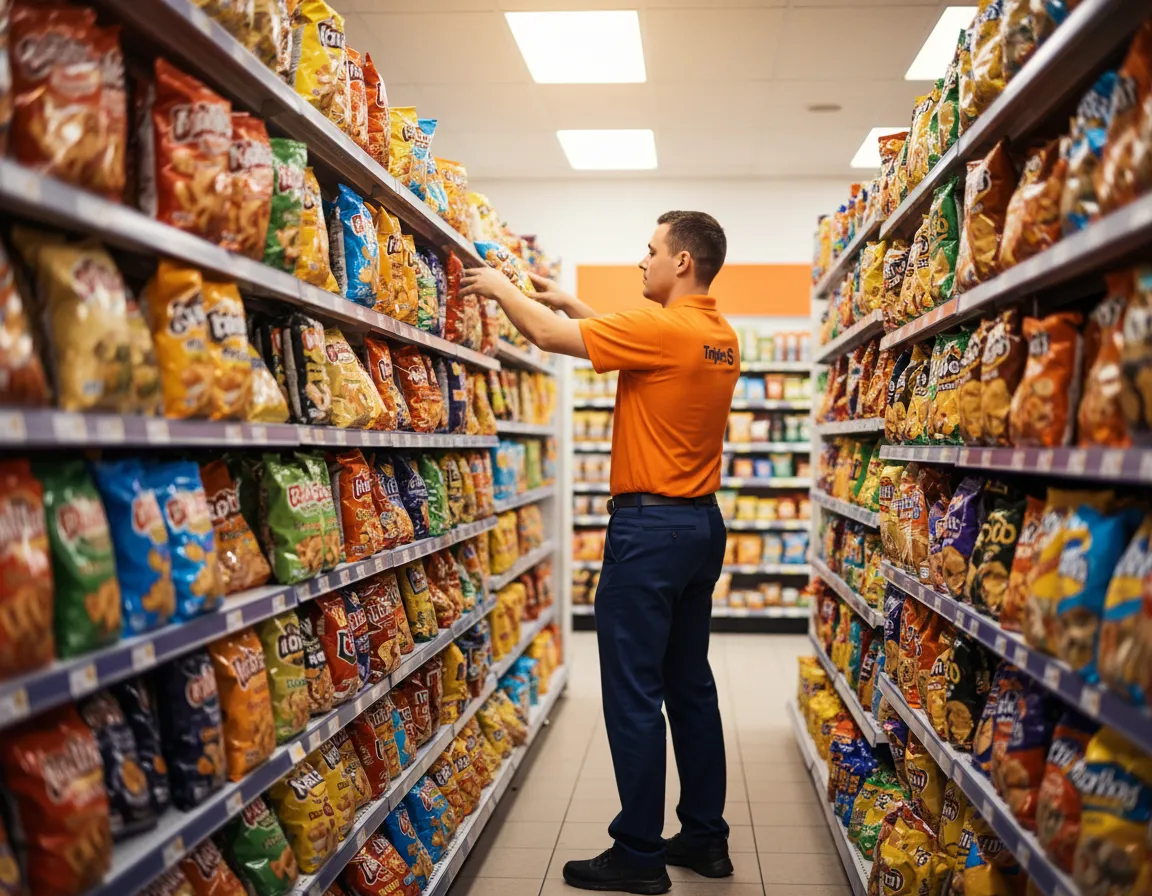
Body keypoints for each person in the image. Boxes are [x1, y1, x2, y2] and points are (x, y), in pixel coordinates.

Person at [461, 210, 740, 895]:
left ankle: (640, 854)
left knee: (634, 694)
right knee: (690, 688)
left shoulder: (661, 327)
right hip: (701, 528)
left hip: (648, 535)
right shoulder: (718, 336)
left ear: (682, 262)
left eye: (650, 251)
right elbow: (636, 346)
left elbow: (548, 336)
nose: (639, 262)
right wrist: (574, 303)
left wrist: (502, 287)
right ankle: (705, 838)